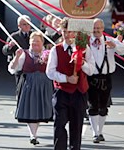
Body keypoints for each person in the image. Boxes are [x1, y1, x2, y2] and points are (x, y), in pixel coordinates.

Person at [46, 18, 95, 150]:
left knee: (76, 125)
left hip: (79, 93)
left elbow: (91, 70)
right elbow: (50, 72)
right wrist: (66, 78)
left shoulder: (85, 49)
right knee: (59, 124)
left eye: (71, 32)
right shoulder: (56, 50)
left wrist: (81, 62)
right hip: (62, 92)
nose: (68, 35)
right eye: (65, 32)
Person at [8, 32, 53, 145]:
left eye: (37, 41)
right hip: (29, 84)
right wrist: (17, 57)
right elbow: (13, 69)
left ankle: (34, 133)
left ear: (42, 42)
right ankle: (33, 135)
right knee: (31, 109)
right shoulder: (24, 54)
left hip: (44, 85)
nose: (35, 44)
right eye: (33, 42)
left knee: (40, 108)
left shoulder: (49, 54)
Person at [88, 18, 124, 143]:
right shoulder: (86, 41)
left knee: (103, 105)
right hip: (91, 77)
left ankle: (100, 131)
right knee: (92, 105)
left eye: (99, 28)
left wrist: (115, 45)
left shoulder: (109, 40)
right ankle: (95, 133)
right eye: (94, 28)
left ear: (103, 29)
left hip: (106, 77)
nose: (96, 30)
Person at [2, 15, 32, 95]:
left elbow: (48, 39)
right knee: (21, 90)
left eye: (28, 24)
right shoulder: (14, 36)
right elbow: (4, 51)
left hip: (32, 66)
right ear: (19, 26)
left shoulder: (34, 35)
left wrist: (58, 32)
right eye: (24, 24)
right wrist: (10, 46)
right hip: (20, 68)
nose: (27, 26)